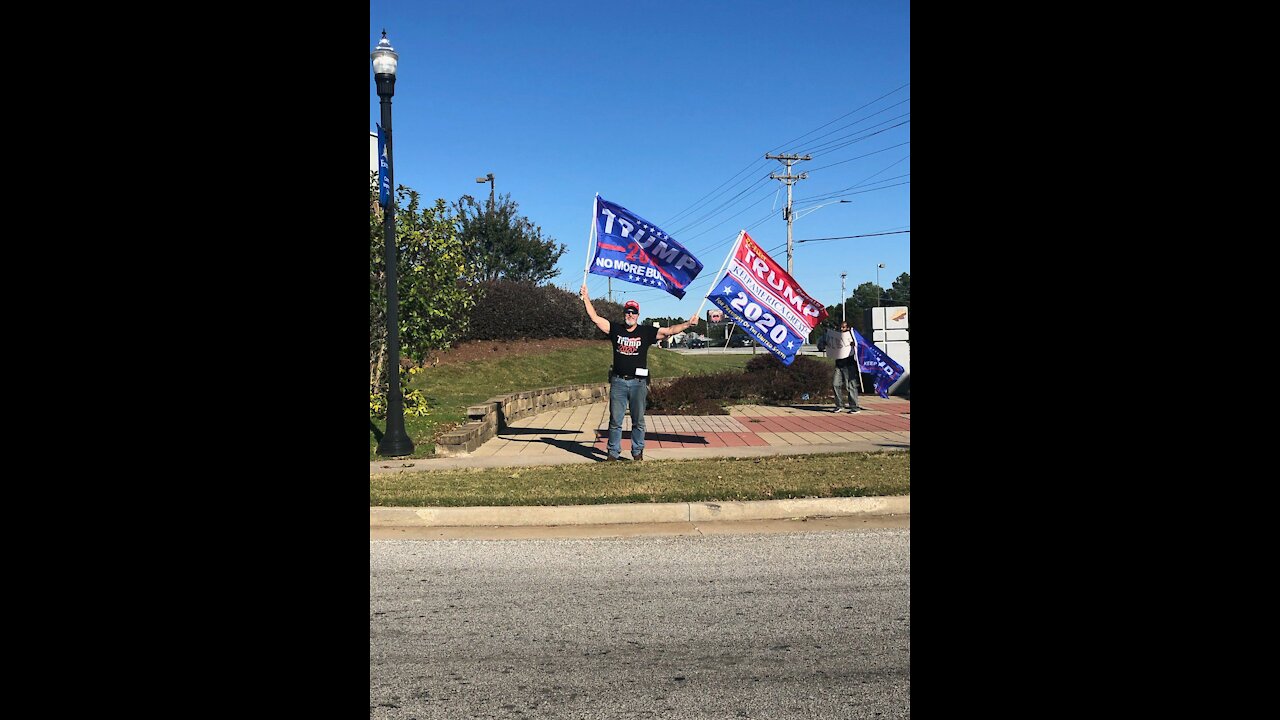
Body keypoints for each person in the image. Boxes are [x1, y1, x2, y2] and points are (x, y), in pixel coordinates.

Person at [581, 284, 697, 461]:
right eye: (627, 311)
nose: (630, 315)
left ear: (638, 315)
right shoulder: (616, 329)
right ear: (624, 313)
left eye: (633, 312)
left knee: (638, 421)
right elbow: (595, 318)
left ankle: (637, 453)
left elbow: (669, 330)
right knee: (615, 421)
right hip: (619, 382)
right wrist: (586, 297)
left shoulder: (646, 332)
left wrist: (688, 324)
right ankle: (612, 454)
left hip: (638, 383)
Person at [818, 320, 862, 413]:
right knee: (835, 384)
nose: (842, 329)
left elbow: (860, 346)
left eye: (844, 327)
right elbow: (821, 345)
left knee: (850, 386)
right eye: (841, 327)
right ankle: (839, 405)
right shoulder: (835, 336)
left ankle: (854, 406)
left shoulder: (852, 336)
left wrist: (854, 345)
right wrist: (825, 344)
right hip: (839, 363)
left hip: (849, 363)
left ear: (848, 328)